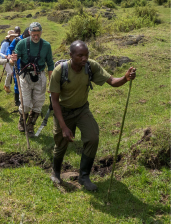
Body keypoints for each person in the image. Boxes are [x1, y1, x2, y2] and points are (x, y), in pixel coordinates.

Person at [49, 40, 136, 191]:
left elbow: (112, 81)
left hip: (82, 109)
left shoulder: (90, 66)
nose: (84, 58)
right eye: (80, 55)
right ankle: (56, 172)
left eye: (86, 55)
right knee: (61, 143)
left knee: (93, 137)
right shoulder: (60, 71)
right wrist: (63, 126)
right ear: (71, 55)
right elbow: (54, 101)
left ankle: (84, 176)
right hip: (63, 111)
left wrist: (125, 78)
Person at [11, 22, 54, 137]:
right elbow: (13, 60)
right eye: (33, 34)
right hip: (25, 77)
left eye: (38, 34)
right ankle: (22, 120)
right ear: (29, 33)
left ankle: (30, 125)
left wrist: (51, 82)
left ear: (41, 33)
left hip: (40, 76)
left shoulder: (46, 45)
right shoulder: (21, 44)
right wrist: (13, 59)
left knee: (38, 104)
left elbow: (50, 64)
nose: (36, 37)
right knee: (25, 104)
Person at [7, 27, 30, 106]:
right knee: (17, 82)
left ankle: (26, 99)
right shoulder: (16, 40)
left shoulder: (31, 40)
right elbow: (10, 49)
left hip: (27, 65)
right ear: (25, 34)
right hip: (18, 64)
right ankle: (17, 100)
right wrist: (10, 56)